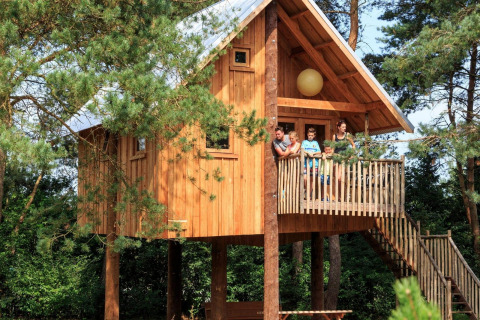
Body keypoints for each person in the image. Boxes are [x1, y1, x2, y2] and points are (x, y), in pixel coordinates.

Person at [331, 120, 355, 201]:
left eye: (345, 127)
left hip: (343, 159)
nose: (344, 128)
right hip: (336, 158)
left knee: (340, 178)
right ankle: (338, 196)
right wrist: (331, 155)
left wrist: (351, 154)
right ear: (338, 127)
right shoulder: (334, 136)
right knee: (336, 178)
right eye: (343, 127)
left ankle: (342, 196)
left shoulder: (347, 135)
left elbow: (353, 145)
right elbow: (333, 148)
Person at [301, 128, 321, 197]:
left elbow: (319, 152)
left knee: (312, 179)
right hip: (306, 163)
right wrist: (308, 153)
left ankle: (309, 195)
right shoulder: (304, 142)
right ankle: (307, 190)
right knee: (305, 178)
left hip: (314, 163)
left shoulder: (315, 143)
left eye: (311, 135)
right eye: (309, 135)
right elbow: (302, 150)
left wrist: (314, 153)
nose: (310, 137)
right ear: (307, 135)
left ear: (314, 136)